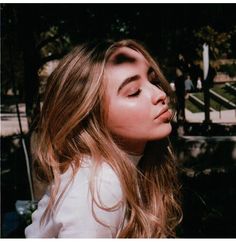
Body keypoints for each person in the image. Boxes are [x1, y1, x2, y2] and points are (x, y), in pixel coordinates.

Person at [25, 39, 182, 238]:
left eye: (153, 80)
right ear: (89, 113)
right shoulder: (98, 187)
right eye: (133, 92)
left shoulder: (127, 168)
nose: (160, 94)